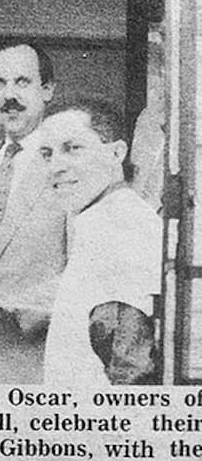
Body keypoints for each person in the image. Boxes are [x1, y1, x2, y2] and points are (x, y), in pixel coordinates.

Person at [0, 40, 67, 383]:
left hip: (39, 368)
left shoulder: (68, 166)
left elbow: (87, 268)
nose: (10, 95)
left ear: (47, 90)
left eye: (22, 82)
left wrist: (14, 307)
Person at [39, 98, 162, 385]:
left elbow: (131, 373)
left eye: (73, 149)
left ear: (117, 152)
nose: (56, 166)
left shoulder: (123, 227)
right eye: (47, 154)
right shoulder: (102, 220)